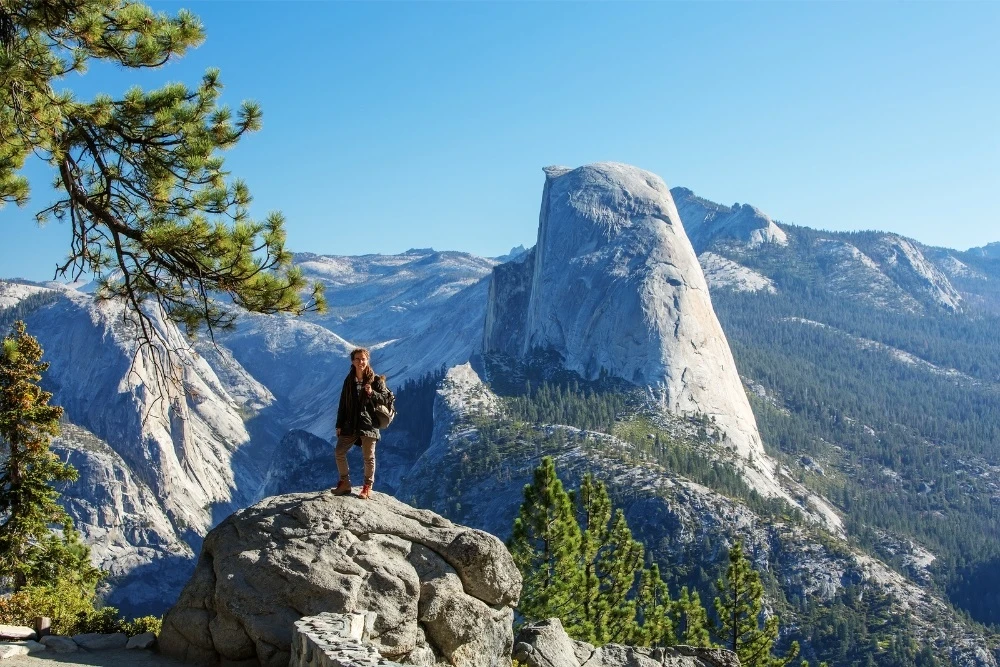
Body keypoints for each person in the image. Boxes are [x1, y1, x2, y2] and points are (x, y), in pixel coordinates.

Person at [332, 347, 389, 500]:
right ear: (352, 361)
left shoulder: (376, 380)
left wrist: (372, 393)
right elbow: (343, 403)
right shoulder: (349, 380)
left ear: (367, 360)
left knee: (368, 457)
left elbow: (386, 399)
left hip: (369, 424)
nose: (360, 362)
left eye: (363, 359)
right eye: (357, 359)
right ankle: (345, 482)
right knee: (339, 452)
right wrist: (339, 425)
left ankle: (367, 487)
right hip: (350, 423)